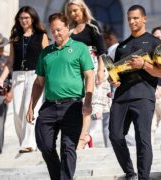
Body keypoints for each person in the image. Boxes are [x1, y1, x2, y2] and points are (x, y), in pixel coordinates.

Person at [26, 13, 94, 180]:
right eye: (53, 30)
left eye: (59, 30)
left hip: (72, 106)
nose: (56, 33)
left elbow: (89, 76)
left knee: (68, 148)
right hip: (49, 106)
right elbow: (38, 83)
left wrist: (88, 102)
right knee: (44, 145)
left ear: (68, 28)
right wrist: (30, 107)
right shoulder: (46, 53)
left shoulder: (79, 48)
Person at [108, 5, 161, 180]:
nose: (132, 21)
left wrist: (144, 65)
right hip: (121, 97)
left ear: (144, 19)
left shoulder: (155, 43)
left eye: (136, 18)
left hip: (143, 96)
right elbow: (116, 72)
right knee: (115, 135)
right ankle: (130, 174)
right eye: (129, 18)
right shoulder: (121, 46)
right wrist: (113, 79)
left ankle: (143, 177)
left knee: (143, 139)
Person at [0, 6, 49, 153]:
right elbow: (10, 61)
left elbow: (47, 57)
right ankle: (24, 142)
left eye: (26, 17)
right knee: (18, 113)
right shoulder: (15, 37)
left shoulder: (41, 36)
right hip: (18, 76)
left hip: (35, 76)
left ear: (32, 19)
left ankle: (30, 143)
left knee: (29, 108)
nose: (23, 20)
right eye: (21, 18)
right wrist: (2, 79)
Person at [65, 0, 107, 149]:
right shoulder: (69, 29)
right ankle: (83, 135)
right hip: (75, 70)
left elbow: (102, 51)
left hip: (93, 67)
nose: (73, 14)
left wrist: (101, 70)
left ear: (83, 9)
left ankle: (86, 136)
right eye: (70, 12)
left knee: (93, 103)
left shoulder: (93, 26)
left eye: (75, 10)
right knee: (79, 103)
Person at [102, 30, 135, 148]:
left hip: (115, 92)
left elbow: (112, 74)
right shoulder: (119, 49)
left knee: (109, 123)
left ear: (108, 40)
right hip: (119, 91)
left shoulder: (112, 52)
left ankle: (109, 148)